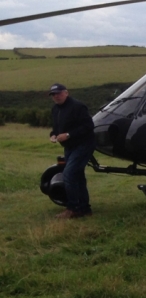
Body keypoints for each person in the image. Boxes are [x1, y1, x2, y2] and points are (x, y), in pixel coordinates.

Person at [48, 83, 95, 219]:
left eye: (59, 93)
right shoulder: (55, 109)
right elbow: (56, 128)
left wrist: (68, 135)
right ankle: (84, 208)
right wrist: (53, 135)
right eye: (53, 95)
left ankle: (72, 208)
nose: (56, 96)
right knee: (78, 176)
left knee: (68, 174)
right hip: (69, 147)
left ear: (66, 93)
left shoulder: (77, 106)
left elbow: (88, 126)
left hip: (84, 145)